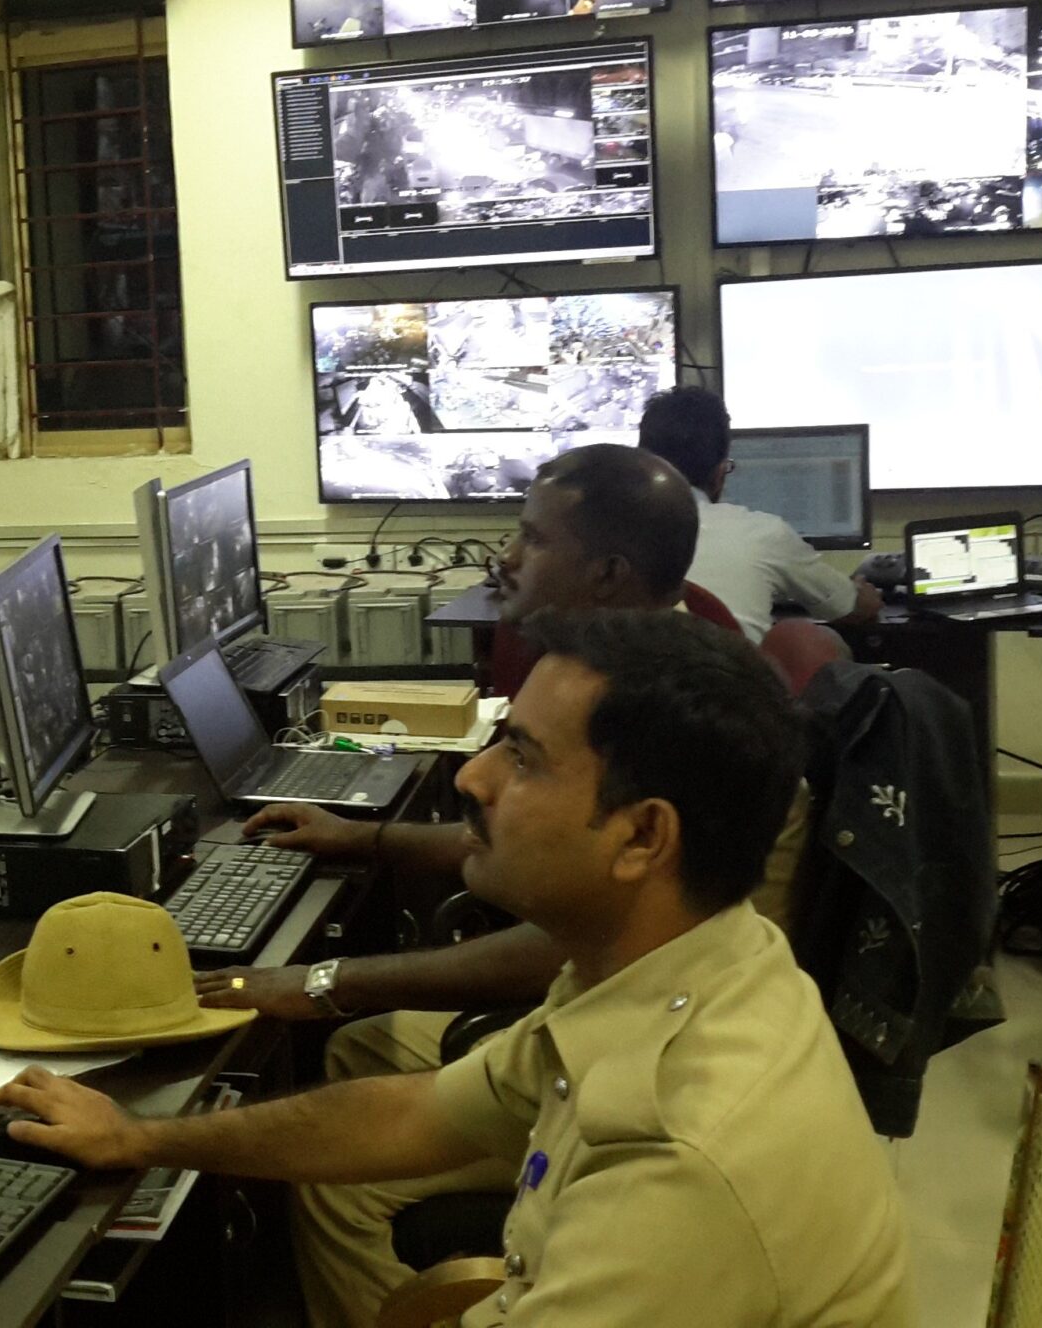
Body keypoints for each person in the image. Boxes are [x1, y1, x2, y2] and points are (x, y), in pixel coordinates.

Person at [0, 612, 910, 1327]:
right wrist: (140, 1139)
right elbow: (418, 1112)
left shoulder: (683, 1164)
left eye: (522, 758)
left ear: (642, 837)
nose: (473, 779)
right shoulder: (687, 962)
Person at [191, 443, 801, 1325]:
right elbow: (533, 836)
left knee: (337, 1164)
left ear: (605, 573)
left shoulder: (656, 716)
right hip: (631, 1007)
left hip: (623, 1032)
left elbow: (564, 931)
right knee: (356, 1056)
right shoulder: (655, 656)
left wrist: (330, 981)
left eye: (529, 537)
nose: (505, 557)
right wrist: (369, 838)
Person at [638, 385, 878, 645]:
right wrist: (865, 594)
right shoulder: (766, 534)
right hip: (733, 682)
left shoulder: (603, 538)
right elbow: (851, 608)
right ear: (719, 474)